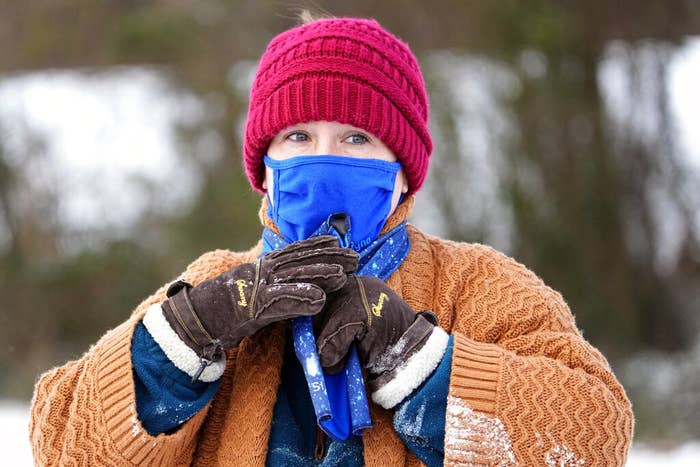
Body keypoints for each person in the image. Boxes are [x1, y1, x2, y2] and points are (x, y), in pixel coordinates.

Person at [30, 16, 633, 466]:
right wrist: (185, 338)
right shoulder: (215, 282)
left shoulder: (478, 286)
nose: (323, 160)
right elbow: (61, 443)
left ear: (403, 169)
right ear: (263, 168)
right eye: (296, 136)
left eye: (355, 138)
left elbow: (596, 438)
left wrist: (419, 355)